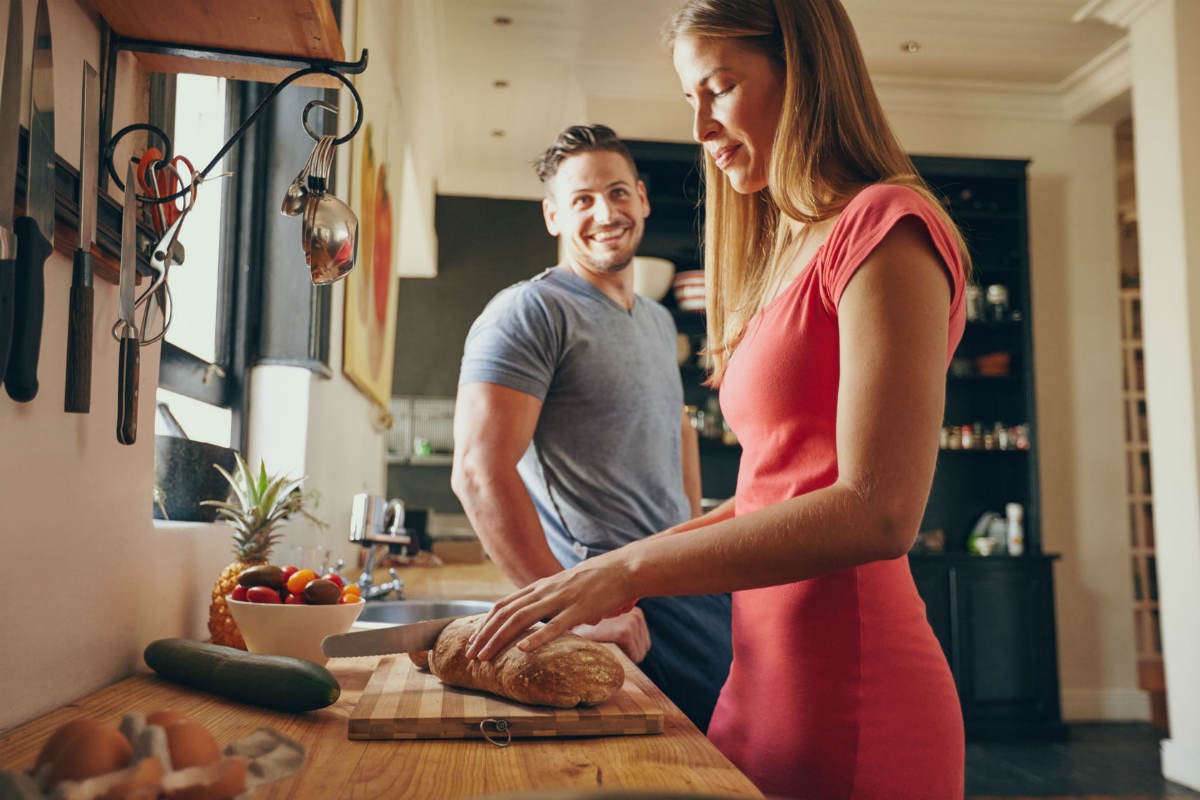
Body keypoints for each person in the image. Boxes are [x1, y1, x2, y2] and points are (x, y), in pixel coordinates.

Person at [464, 2, 971, 797]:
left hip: (852, 683)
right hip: (760, 671)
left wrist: (625, 567)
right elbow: (774, 492)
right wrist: (612, 576)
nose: (700, 125)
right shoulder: (789, 249)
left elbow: (878, 509)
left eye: (721, 87)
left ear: (801, 74)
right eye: (688, 98)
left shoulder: (886, 226)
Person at [451, 124, 733, 733]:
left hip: (685, 584)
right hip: (613, 599)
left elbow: (676, 427)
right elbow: (478, 472)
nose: (605, 212)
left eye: (617, 192)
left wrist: (686, 542)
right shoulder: (531, 311)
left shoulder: (658, 321)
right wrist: (569, 612)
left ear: (643, 198)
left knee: (733, 758)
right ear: (553, 216)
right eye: (581, 200)